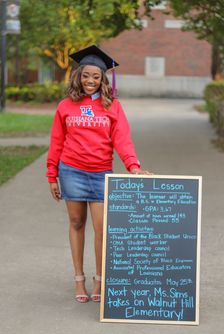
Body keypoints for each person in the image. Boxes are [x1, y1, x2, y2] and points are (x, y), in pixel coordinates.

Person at [46, 45, 150, 303]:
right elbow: (56, 142)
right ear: (78, 77)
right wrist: (52, 176)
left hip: (102, 172)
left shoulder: (112, 106)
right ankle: (79, 278)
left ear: (103, 79)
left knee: (102, 229)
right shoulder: (66, 106)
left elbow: (122, 140)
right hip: (71, 171)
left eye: (96, 77)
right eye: (85, 75)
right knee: (76, 223)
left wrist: (133, 166)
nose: (90, 81)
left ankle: (99, 280)